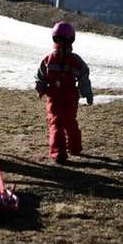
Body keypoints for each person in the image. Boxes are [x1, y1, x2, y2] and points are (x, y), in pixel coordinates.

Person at [35, 22, 93, 164]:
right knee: (69, 122)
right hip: (69, 95)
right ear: (72, 39)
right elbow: (84, 76)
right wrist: (87, 92)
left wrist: (41, 88)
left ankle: (59, 152)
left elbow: (40, 75)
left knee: (56, 123)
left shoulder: (48, 59)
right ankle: (75, 147)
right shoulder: (75, 60)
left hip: (55, 95)